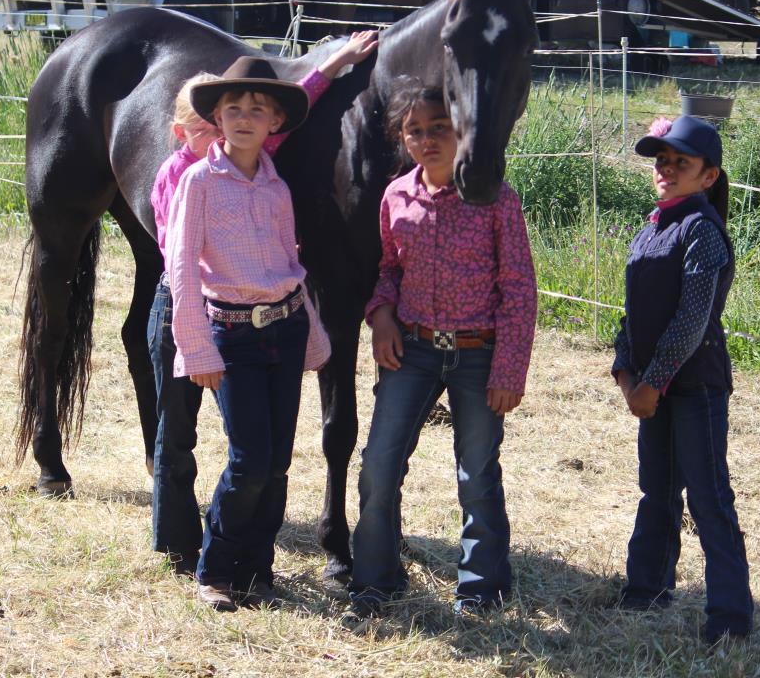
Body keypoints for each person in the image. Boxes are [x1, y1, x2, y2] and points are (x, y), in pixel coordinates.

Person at [147, 32, 377, 577]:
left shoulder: (271, 180)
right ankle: (191, 550)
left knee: (269, 460)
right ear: (198, 126)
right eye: (217, 121)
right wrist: (195, 343)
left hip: (272, 324)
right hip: (197, 308)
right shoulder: (187, 179)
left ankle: (255, 566)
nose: (227, 129)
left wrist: (337, 60)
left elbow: (288, 264)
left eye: (255, 113)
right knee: (188, 434)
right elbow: (180, 263)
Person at [347, 81, 537, 617]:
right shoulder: (395, 197)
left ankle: (481, 588)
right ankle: (375, 580)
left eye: (439, 128)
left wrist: (509, 369)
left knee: (477, 473)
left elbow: (519, 288)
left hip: (478, 353)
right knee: (379, 465)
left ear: (462, 132)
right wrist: (381, 316)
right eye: (415, 131)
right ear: (401, 138)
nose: (427, 140)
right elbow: (388, 269)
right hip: (413, 350)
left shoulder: (495, 198)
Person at [611, 115, 753, 647]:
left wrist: (652, 382)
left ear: (708, 176)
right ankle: (647, 588)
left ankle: (730, 618)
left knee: (709, 499)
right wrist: (625, 371)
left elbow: (692, 320)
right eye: (662, 160)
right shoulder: (652, 228)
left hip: (694, 387)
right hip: (654, 386)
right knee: (657, 490)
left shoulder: (702, 231)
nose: (666, 169)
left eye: (681, 162)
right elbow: (632, 314)